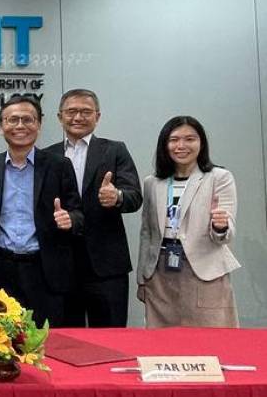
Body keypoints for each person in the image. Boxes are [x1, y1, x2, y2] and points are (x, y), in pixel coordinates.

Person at [0, 95, 83, 327]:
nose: (20, 126)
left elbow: (78, 212)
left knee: (48, 341)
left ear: (39, 124)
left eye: (27, 119)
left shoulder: (58, 165)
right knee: (2, 339)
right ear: (1, 126)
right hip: (1, 269)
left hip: (44, 269)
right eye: (12, 119)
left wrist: (70, 219)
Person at [46, 89, 142, 327]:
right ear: (60, 117)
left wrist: (117, 196)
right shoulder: (47, 156)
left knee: (111, 335)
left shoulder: (115, 150)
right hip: (63, 262)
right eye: (71, 111)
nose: (78, 117)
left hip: (107, 263)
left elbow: (135, 197)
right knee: (68, 338)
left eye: (86, 112)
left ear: (97, 117)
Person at [137, 116, 239, 328]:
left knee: (210, 337)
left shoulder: (219, 177)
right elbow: (147, 232)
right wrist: (142, 277)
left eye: (190, 139)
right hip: (160, 272)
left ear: (201, 143)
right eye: (174, 140)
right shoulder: (152, 183)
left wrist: (220, 226)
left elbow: (225, 233)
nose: (181, 146)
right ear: (165, 145)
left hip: (204, 271)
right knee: (163, 341)